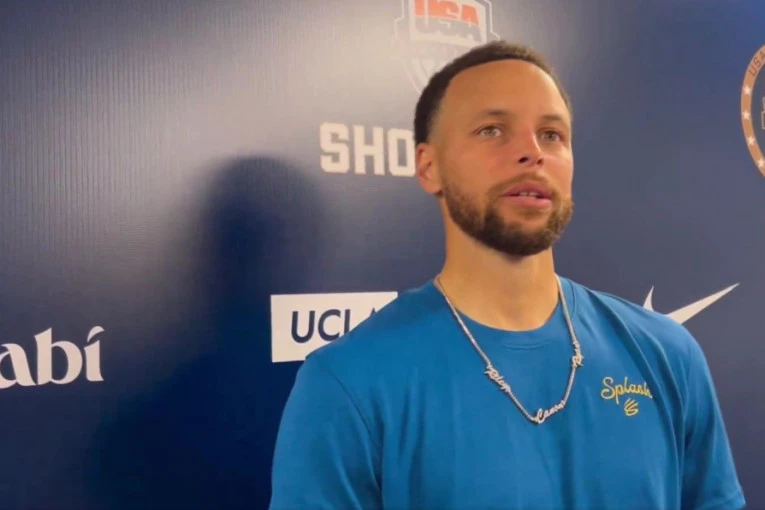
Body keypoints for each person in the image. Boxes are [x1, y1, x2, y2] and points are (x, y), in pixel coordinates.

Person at [269, 41, 745, 509]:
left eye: (552, 135)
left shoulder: (667, 353)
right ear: (429, 167)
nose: (532, 152)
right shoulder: (349, 383)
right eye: (492, 130)